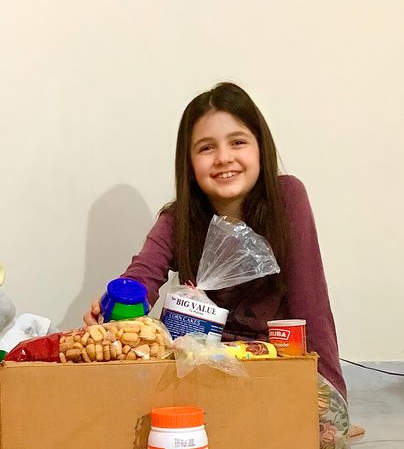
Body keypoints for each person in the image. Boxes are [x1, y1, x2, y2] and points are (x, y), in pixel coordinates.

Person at [84, 81, 347, 404]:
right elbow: (142, 276)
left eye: (237, 142)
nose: (224, 158)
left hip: (272, 365)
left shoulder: (286, 198)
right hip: (200, 367)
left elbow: (312, 301)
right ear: (190, 165)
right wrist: (113, 309)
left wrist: (332, 394)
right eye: (206, 148)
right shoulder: (178, 220)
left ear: (260, 149)